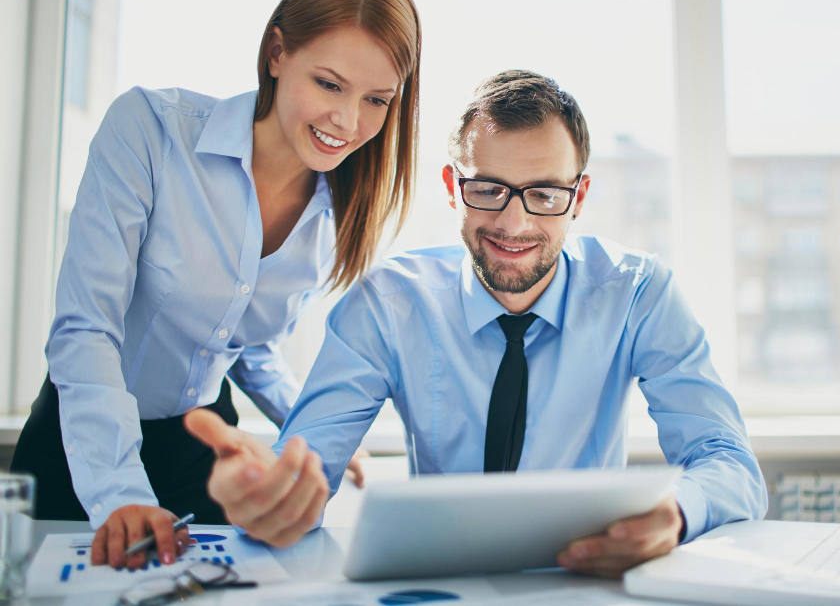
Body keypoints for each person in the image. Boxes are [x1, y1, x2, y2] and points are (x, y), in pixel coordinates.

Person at [186, 70, 767, 577]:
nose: (513, 223)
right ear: (451, 188)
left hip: (587, 583)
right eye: (487, 189)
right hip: (442, 587)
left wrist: (677, 511)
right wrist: (272, 499)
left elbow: (728, 461)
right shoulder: (388, 304)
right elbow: (307, 467)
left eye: (543, 193)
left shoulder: (640, 294)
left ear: (579, 196)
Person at [10, 0, 421, 571]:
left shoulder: (336, 211)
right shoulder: (150, 131)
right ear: (277, 53)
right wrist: (122, 496)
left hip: (203, 454)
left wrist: (308, 434)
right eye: (330, 84)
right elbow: (85, 330)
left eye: (377, 100)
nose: (348, 122)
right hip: (85, 444)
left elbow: (247, 349)